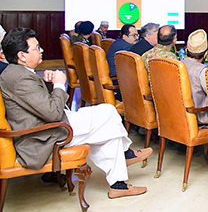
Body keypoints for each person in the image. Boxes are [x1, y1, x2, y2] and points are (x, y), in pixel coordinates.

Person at [0, 28, 152, 198]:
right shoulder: (21, 78)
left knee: (108, 118)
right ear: (22, 55)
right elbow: (53, 113)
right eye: (37, 48)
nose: (41, 50)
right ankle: (122, 165)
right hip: (43, 137)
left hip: (47, 127)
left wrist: (47, 83)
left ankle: (119, 180)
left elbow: (37, 102)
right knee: (109, 116)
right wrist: (59, 84)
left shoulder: (14, 72)